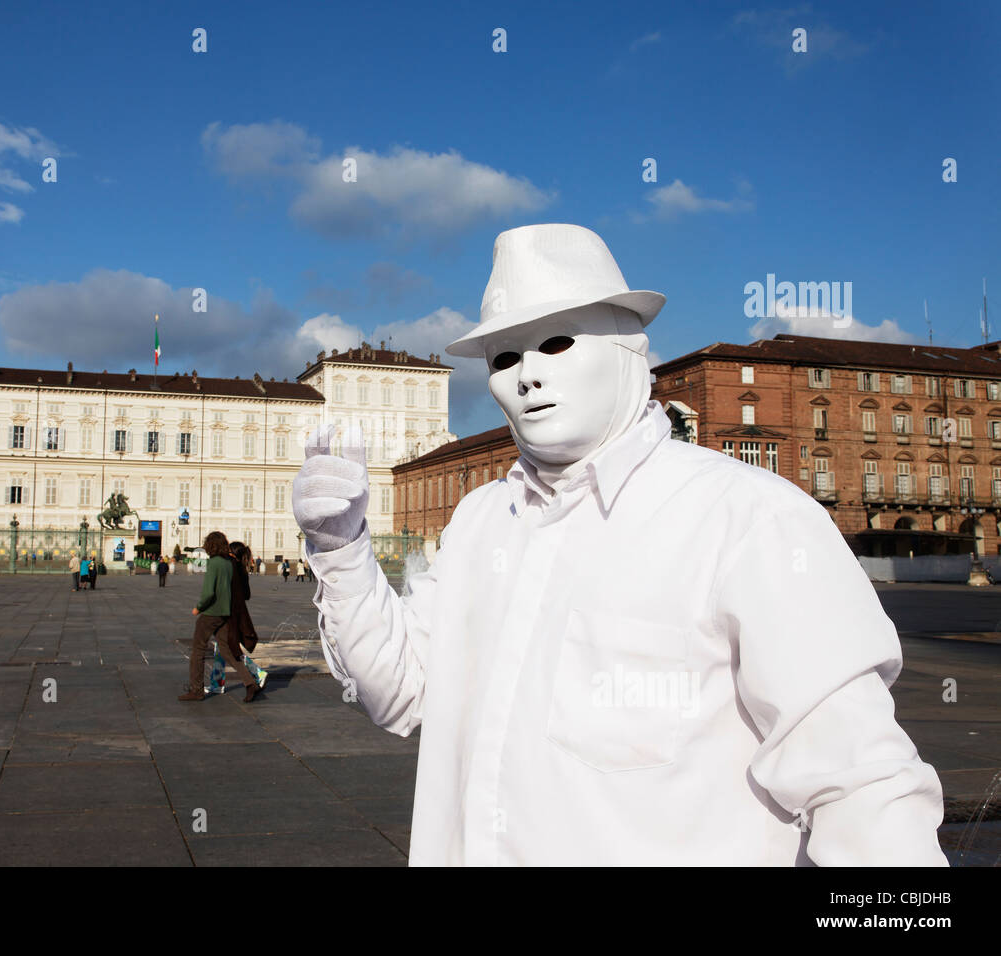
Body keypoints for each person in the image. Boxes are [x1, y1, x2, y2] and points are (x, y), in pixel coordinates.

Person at [292, 223, 947, 867]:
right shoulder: (480, 523)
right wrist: (341, 549)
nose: (528, 377)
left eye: (555, 343)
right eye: (505, 358)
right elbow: (401, 690)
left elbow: (857, 775)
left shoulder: (747, 518)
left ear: (629, 347)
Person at [179, 531, 259, 703]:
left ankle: (196, 690)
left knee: (198, 650)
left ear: (209, 545)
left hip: (211, 612)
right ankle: (250, 682)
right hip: (225, 613)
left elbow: (208, 592)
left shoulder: (214, 563)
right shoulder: (228, 564)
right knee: (227, 651)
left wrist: (198, 608)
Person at [208, 541, 268, 695]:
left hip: (228, 612)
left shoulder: (231, 567)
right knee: (221, 648)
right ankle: (217, 682)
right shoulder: (242, 568)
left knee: (228, 647)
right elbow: (247, 594)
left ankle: (257, 672)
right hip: (237, 612)